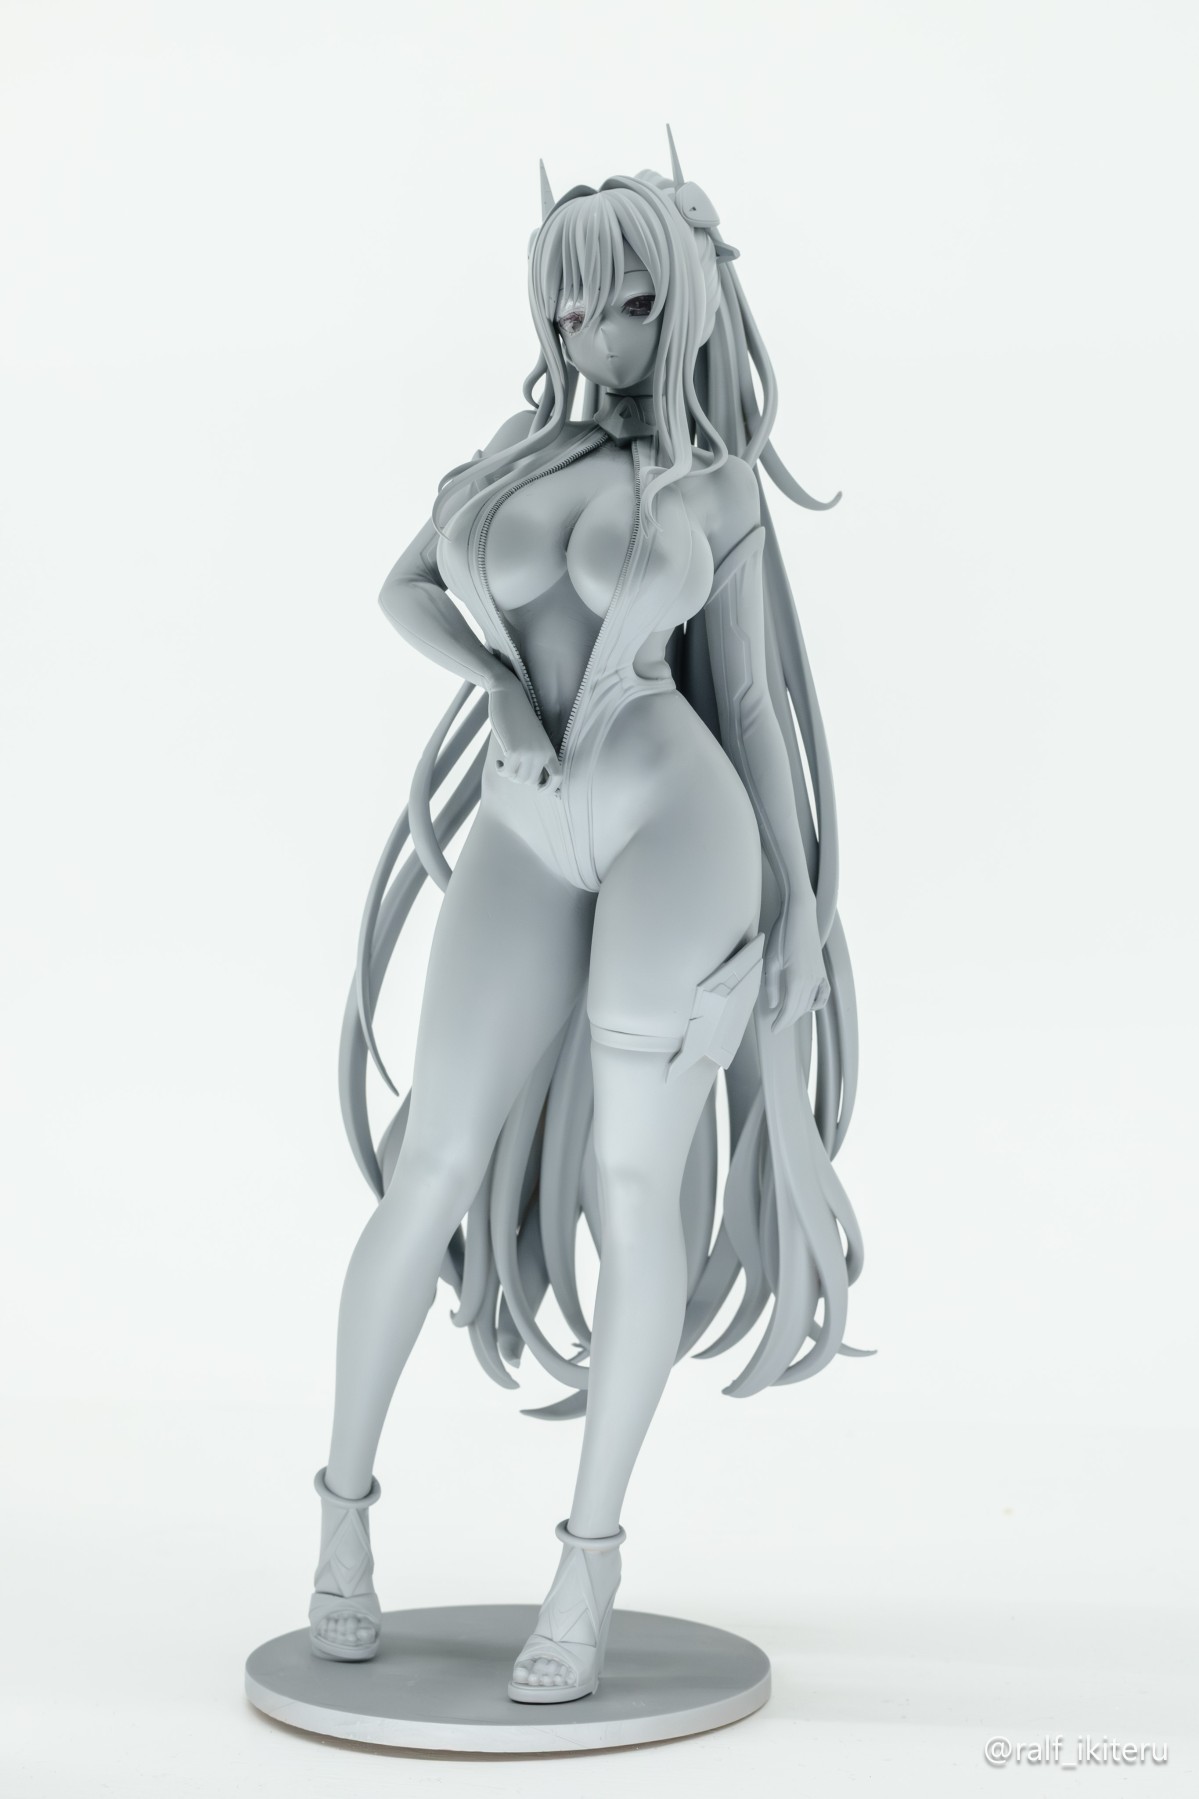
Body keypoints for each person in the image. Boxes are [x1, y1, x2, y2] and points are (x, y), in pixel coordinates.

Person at [307, 135, 865, 1705]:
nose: (592, 340)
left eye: (623, 307)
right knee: (431, 1162)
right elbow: (405, 590)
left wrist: (805, 909)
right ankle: (339, 1517)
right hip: (527, 817)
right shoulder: (515, 451)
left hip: (681, 824)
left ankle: (589, 1560)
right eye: (566, 314)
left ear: (680, 301)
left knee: (636, 1177)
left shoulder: (718, 486)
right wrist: (496, 684)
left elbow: (747, 709)